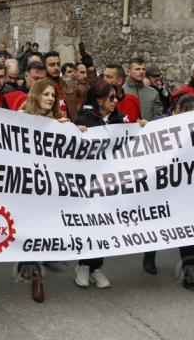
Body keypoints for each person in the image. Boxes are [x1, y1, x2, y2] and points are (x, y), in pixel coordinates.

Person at [18, 79, 83, 302]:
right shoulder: (19, 118)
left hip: (49, 188)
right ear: (36, 95)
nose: (50, 98)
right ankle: (36, 278)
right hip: (25, 186)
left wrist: (75, 130)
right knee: (30, 229)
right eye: (46, 94)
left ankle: (32, 266)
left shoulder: (58, 122)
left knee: (43, 228)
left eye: (53, 96)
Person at [141, 93, 194, 288]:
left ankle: (190, 272)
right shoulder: (159, 124)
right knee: (155, 222)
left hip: (183, 184)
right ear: (177, 111)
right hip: (159, 183)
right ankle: (149, 256)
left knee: (185, 226)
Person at [73, 81, 125, 289]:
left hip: (110, 182)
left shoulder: (119, 121)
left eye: (116, 97)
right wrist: (75, 131)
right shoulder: (84, 120)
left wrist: (142, 127)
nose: (115, 101)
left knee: (104, 224)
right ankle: (83, 265)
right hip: (89, 182)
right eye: (111, 98)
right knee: (90, 223)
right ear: (99, 100)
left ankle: (96, 266)